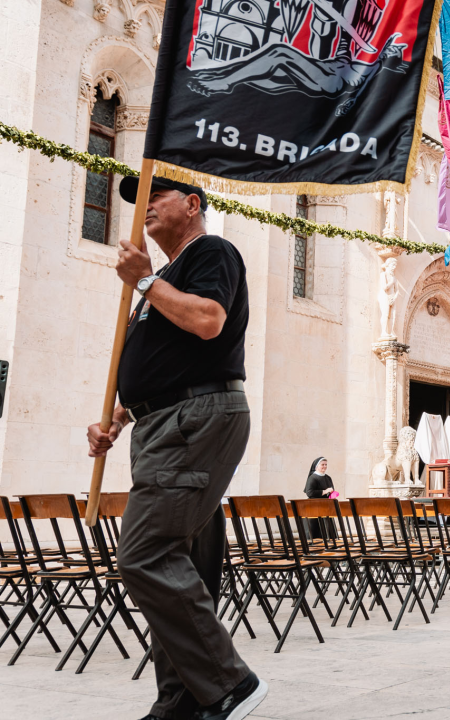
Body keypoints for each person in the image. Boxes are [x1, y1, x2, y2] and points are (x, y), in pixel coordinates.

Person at [86, 176, 266, 720]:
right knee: (183, 564)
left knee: (145, 553)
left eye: (152, 198)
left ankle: (230, 683)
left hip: (193, 420)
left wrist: (144, 282)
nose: (142, 210)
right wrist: (117, 419)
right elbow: (161, 363)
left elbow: (209, 322)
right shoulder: (163, 277)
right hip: (164, 422)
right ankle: (183, 700)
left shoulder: (211, 251)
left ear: (191, 204)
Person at [304, 457, 338, 540]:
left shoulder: (328, 478)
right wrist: (325, 491)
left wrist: (332, 493)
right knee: (315, 531)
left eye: (326, 464)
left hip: (325, 506)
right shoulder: (312, 478)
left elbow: (331, 489)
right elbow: (309, 492)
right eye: (322, 464)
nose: (325, 466)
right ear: (316, 466)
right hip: (314, 506)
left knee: (327, 529)